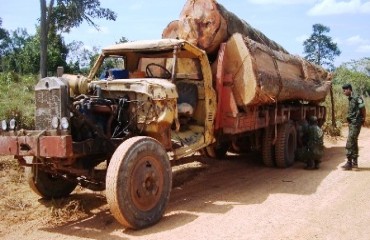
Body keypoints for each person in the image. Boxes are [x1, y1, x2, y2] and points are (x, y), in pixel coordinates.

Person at [341, 83, 366, 171]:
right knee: (354, 142)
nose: (344, 92)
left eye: (345, 90)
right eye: (343, 90)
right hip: (352, 123)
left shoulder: (357, 98)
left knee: (350, 142)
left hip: (356, 123)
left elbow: (363, 108)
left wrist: (363, 119)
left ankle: (349, 162)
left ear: (349, 89)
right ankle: (354, 163)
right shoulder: (351, 99)